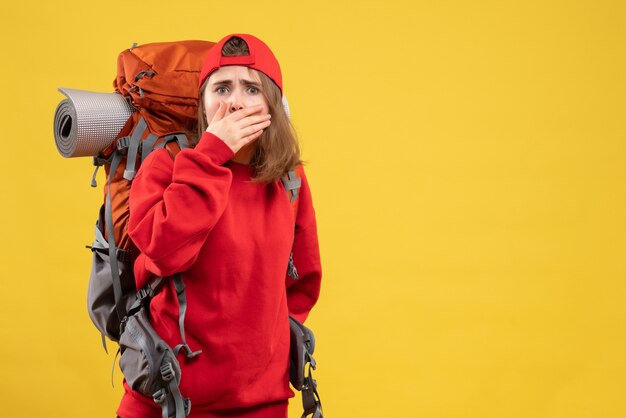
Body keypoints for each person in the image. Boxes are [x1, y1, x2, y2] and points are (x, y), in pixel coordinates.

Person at [116, 34, 322, 418]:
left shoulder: (288, 179)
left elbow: (304, 279)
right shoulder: (165, 167)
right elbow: (165, 253)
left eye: (251, 88)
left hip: (261, 403)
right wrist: (212, 153)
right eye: (221, 88)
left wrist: (264, 346)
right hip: (167, 399)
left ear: (273, 105)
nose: (235, 102)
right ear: (204, 104)